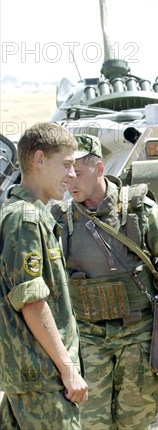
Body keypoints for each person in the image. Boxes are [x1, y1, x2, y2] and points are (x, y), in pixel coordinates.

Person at [51, 134, 158, 429]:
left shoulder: (136, 210)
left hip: (138, 333)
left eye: (78, 173)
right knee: (91, 421)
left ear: (99, 168)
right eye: (66, 172)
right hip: (89, 336)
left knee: (133, 421)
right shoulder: (60, 218)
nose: (70, 181)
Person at [0, 123, 88, 429]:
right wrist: (67, 368)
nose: (72, 175)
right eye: (65, 165)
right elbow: (32, 302)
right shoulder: (25, 218)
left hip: (32, 377)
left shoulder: (26, 213)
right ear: (39, 160)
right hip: (42, 379)